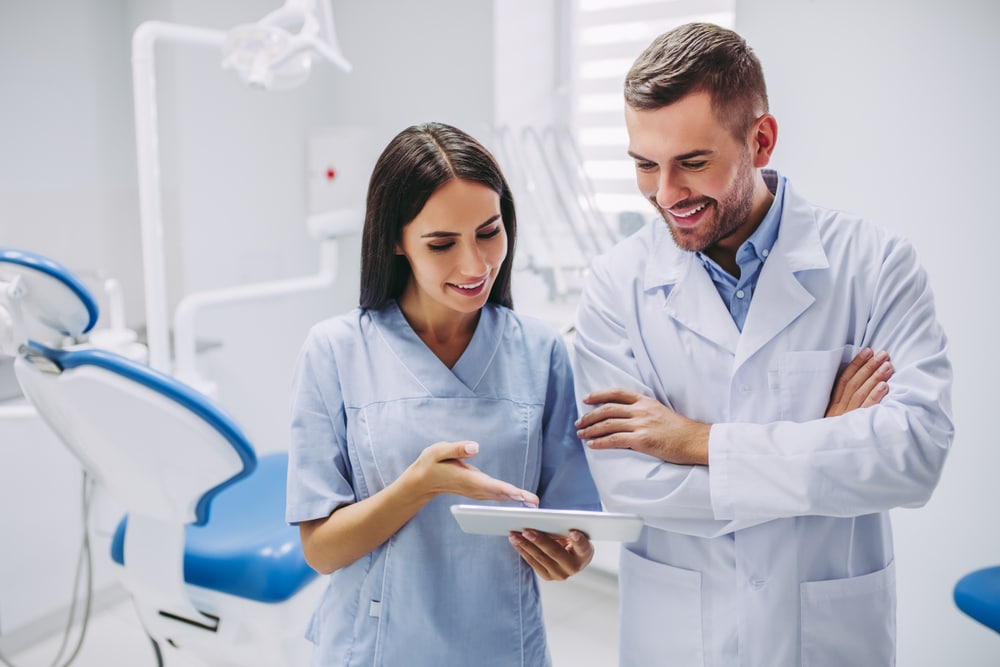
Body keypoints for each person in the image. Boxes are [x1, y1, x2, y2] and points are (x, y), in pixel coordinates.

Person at [571, 22, 954, 667]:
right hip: (678, 636)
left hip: (828, 636)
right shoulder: (615, 285)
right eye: (644, 166)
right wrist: (826, 441)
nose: (665, 196)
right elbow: (629, 484)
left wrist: (699, 443)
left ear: (762, 140)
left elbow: (915, 454)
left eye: (693, 163)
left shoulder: (875, 264)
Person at [285, 122, 601, 666]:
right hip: (376, 647)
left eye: (489, 231)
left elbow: (571, 527)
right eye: (441, 243)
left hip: (503, 644)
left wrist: (573, 554)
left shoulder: (543, 353)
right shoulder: (335, 351)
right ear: (394, 239)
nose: (475, 265)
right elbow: (321, 550)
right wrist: (417, 488)